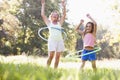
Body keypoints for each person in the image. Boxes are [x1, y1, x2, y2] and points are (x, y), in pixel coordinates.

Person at [41, 0, 66, 69]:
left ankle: (55, 70)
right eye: (53, 16)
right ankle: (47, 69)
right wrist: (43, 4)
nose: (55, 17)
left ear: (58, 17)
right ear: (51, 17)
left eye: (56, 16)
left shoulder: (59, 23)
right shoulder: (49, 23)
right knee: (51, 56)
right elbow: (43, 15)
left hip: (59, 41)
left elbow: (64, 15)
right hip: (52, 41)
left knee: (57, 57)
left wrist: (64, 6)